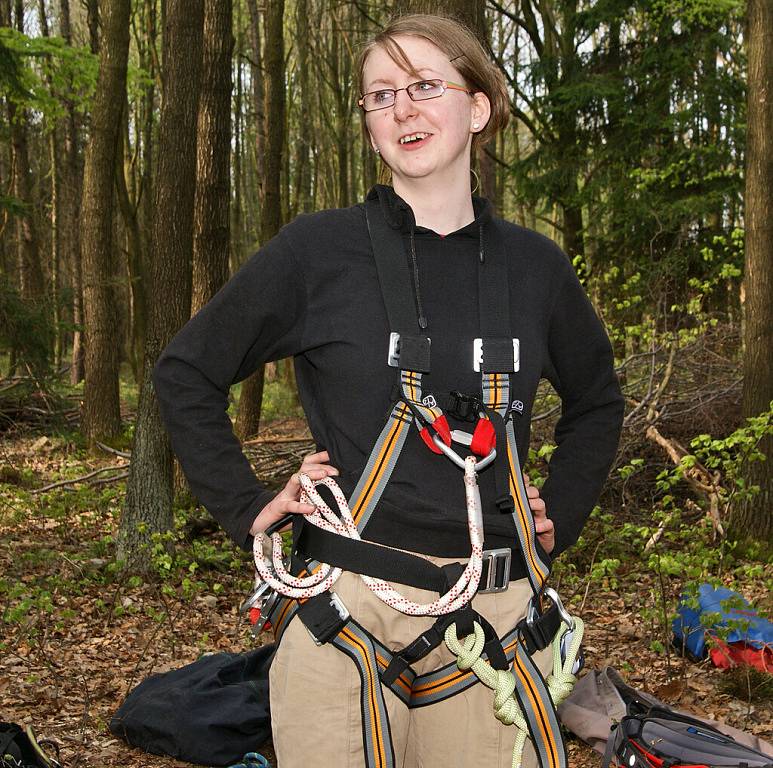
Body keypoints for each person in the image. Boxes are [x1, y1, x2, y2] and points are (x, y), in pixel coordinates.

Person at [154, 13, 624, 768]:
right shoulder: (317, 253)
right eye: (379, 95)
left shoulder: (536, 270)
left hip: (494, 621)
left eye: (423, 86)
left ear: (478, 108)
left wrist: (556, 514)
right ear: (370, 126)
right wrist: (248, 507)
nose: (400, 108)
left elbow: (598, 402)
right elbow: (186, 370)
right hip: (346, 613)